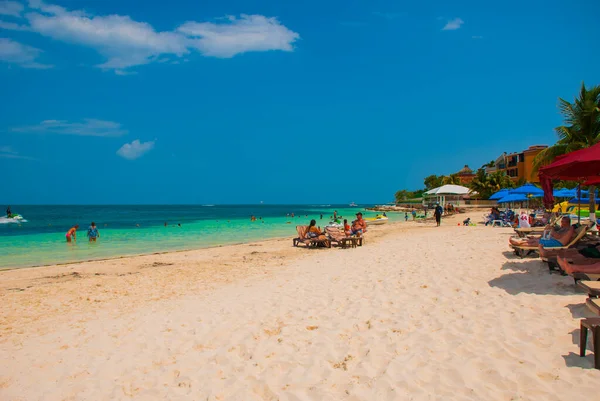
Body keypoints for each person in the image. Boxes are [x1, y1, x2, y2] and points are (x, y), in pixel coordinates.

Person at [509, 216, 574, 248]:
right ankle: (520, 242)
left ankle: (519, 243)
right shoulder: (565, 228)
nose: (561, 223)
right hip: (555, 241)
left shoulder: (569, 229)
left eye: (563, 222)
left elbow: (558, 237)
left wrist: (552, 231)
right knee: (536, 240)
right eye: (561, 221)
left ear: (567, 222)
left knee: (537, 243)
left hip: (558, 243)